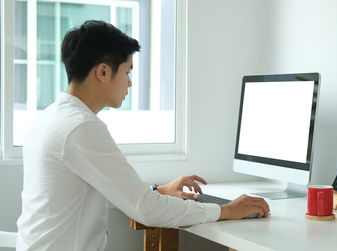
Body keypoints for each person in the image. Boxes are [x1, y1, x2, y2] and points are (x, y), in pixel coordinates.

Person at [16, 20, 270, 251]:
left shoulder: (54, 117)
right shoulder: (81, 128)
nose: (130, 83)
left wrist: (157, 191)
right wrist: (226, 210)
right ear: (103, 72)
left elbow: (113, 189)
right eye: (127, 72)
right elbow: (147, 211)